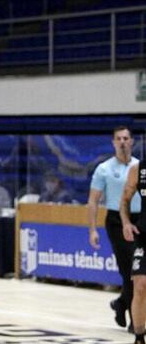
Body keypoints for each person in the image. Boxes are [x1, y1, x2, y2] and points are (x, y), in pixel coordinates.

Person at [89, 125, 140, 329]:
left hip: (139, 220)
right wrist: (92, 229)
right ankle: (136, 320)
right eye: (118, 138)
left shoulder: (139, 167)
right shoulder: (104, 169)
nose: (122, 142)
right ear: (113, 142)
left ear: (132, 141)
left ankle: (121, 303)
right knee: (130, 270)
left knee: (140, 271)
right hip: (117, 222)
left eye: (126, 138)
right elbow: (93, 200)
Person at [120, 162, 146, 344]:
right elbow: (124, 200)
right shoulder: (138, 169)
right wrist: (126, 222)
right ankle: (139, 337)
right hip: (144, 234)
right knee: (140, 284)